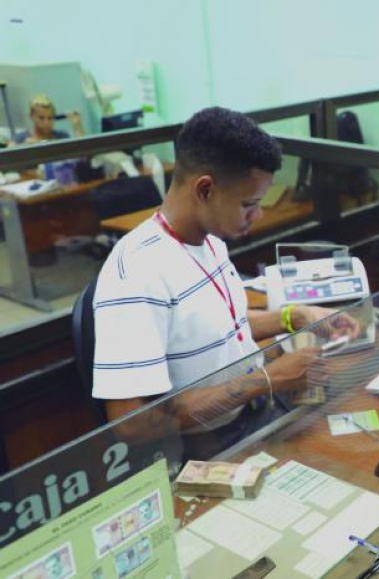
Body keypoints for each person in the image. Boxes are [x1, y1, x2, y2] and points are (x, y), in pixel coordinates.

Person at [92, 107, 357, 441]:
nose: (258, 215)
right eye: (249, 204)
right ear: (205, 190)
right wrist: (269, 379)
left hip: (255, 412)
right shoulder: (136, 274)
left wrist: (294, 317)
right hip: (210, 443)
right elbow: (132, 424)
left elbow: (218, 327)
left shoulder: (209, 241)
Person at [9, 94, 84, 146]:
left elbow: (82, 155)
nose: (46, 122)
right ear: (31, 116)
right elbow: (8, 158)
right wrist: (24, 147)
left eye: (50, 118)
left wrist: (77, 126)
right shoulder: (20, 139)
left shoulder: (62, 137)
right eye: (41, 118)